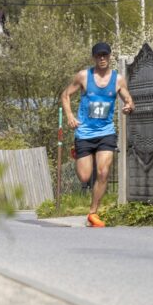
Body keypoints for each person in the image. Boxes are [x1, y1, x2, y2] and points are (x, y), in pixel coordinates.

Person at [61, 42, 135, 227]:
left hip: (105, 132)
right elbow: (65, 95)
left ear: (110, 56)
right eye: (98, 56)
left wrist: (129, 105)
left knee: (103, 172)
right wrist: (70, 116)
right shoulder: (84, 76)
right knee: (85, 177)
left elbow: (128, 98)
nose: (102, 58)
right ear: (94, 58)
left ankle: (93, 212)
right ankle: (77, 152)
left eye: (105, 55)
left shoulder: (118, 80)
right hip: (84, 132)